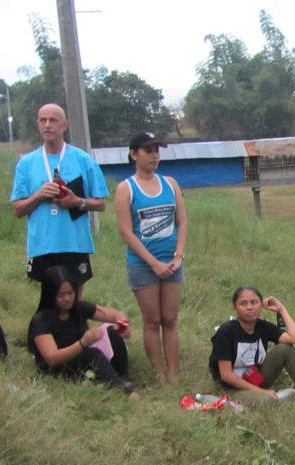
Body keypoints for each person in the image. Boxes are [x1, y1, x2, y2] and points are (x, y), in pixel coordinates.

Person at [11, 103, 108, 293]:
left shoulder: (83, 160)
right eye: (43, 120)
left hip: (74, 244)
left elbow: (101, 204)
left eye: (53, 120)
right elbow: (18, 210)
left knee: (74, 302)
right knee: (49, 301)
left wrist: (76, 202)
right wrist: (39, 195)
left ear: (65, 125)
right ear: (38, 124)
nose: (47, 125)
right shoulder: (26, 163)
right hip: (42, 245)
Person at [114, 131, 187, 383]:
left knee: (170, 319)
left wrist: (178, 255)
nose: (154, 156)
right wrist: (153, 263)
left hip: (172, 263)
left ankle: (173, 373)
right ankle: (159, 374)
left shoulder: (170, 184)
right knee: (152, 320)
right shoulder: (126, 189)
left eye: (157, 151)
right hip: (143, 265)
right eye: (148, 151)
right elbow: (126, 232)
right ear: (134, 154)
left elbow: (182, 222)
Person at [27, 266, 138, 397]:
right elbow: (52, 358)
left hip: (80, 356)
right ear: (50, 295)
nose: (67, 298)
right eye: (61, 295)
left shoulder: (78, 307)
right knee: (91, 353)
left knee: (112, 332)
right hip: (57, 368)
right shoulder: (41, 320)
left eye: (70, 293)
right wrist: (83, 343)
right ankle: (124, 393)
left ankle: (121, 379)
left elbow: (116, 315)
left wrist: (123, 326)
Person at [209, 286, 295, 407]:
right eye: (243, 304)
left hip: (256, 379)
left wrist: (281, 309)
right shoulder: (226, 332)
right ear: (235, 309)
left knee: (285, 348)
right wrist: (261, 391)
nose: (249, 307)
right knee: (266, 401)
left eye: (254, 302)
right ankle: (281, 396)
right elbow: (226, 375)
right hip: (232, 388)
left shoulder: (263, 327)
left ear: (261, 305)